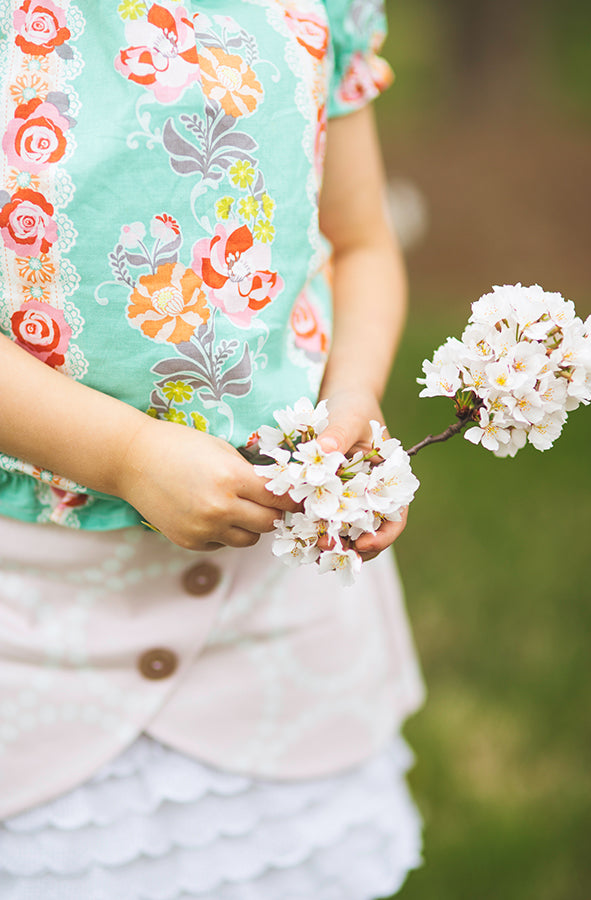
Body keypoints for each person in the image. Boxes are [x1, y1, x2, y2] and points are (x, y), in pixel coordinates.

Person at [0, 1, 425, 897]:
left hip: (276, 627)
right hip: (31, 623)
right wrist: (122, 456)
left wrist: (352, 393)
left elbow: (359, 241)